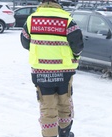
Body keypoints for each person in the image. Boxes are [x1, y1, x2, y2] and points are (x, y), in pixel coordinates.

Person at [20, 0, 84, 137]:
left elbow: (25, 43)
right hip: (64, 72)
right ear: (57, 3)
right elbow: (78, 46)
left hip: (41, 72)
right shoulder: (67, 20)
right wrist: (74, 56)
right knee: (64, 103)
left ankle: (49, 135)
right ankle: (65, 132)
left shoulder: (32, 20)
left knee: (47, 107)